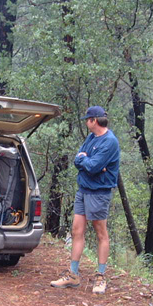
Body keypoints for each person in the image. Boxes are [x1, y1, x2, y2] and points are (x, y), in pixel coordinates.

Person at [51, 105, 120, 294]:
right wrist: (86, 161)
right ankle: (73, 275)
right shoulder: (91, 138)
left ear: (94, 120)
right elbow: (79, 160)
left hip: (99, 192)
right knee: (77, 230)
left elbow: (93, 166)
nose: (86, 123)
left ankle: (100, 276)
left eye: (87, 120)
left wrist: (88, 163)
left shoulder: (110, 141)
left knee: (100, 233)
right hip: (83, 190)